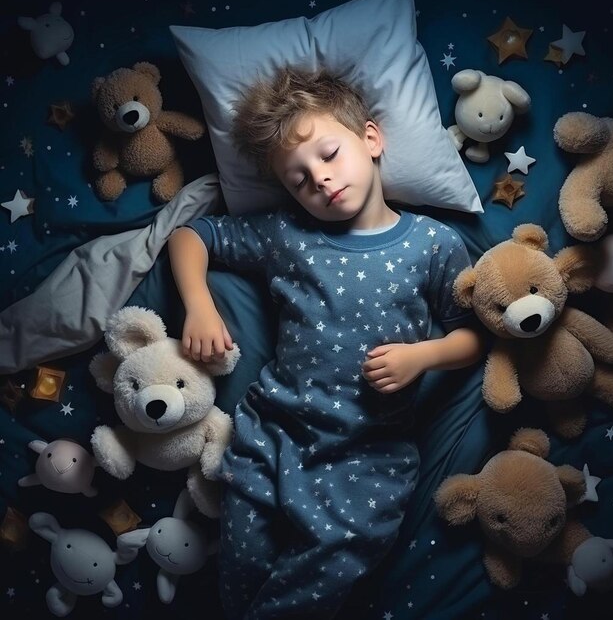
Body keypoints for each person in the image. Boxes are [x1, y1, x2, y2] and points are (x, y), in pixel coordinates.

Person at [168, 68, 484, 619]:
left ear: (371, 138)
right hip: (274, 438)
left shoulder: (434, 243)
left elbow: (474, 336)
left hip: (369, 457)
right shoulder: (287, 233)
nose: (320, 178)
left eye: (330, 154)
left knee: (306, 593)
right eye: (298, 178)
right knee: (240, 586)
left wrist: (424, 355)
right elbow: (190, 235)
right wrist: (199, 303)